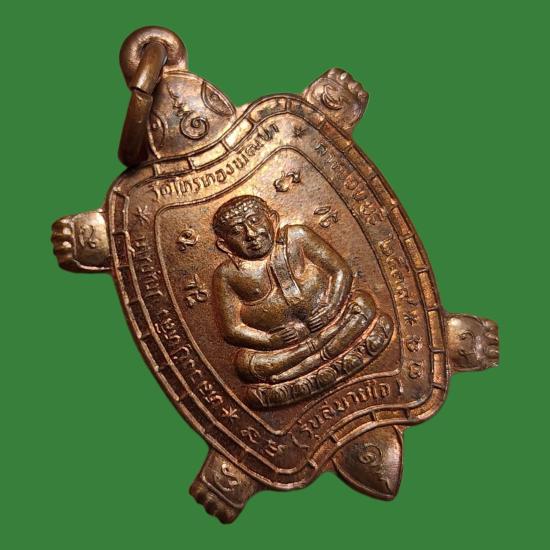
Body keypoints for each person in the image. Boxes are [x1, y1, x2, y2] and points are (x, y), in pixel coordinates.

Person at [211, 195, 377, 383]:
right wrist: (269, 340)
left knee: (362, 304)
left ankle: (303, 369)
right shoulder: (227, 274)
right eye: (236, 231)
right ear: (224, 245)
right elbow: (232, 329)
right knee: (245, 365)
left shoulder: (297, 236)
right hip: (286, 348)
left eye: (255, 221)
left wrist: (331, 307)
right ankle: (322, 355)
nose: (250, 234)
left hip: (332, 322)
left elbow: (340, 271)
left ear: (273, 219)